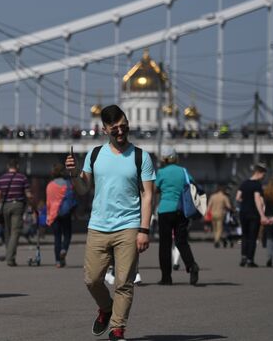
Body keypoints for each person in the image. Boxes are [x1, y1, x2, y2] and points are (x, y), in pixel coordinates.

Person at [66, 105, 154, 341]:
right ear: (104, 129)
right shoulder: (94, 155)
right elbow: (84, 190)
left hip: (129, 226)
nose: (120, 131)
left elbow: (148, 195)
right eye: (114, 128)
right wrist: (74, 175)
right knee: (92, 279)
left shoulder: (140, 156)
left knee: (124, 282)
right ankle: (106, 308)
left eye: (123, 125)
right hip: (98, 226)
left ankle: (117, 328)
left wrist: (144, 230)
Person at [154, 146, 200, 286]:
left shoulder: (161, 172)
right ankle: (191, 265)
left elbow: (155, 189)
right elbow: (193, 186)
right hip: (182, 210)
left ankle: (166, 278)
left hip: (165, 211)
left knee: (165, 244)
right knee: (181, 241)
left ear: (163, 158)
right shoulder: (184, 171)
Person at [0, 159, 36, 267]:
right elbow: (28, 195)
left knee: (7, 232)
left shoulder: (1, 179)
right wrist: (32, 205)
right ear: (17, 166)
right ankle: (10, 258)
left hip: (5, 206)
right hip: (18, 206)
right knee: (15, 232)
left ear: (7, 166)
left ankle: (9, 254)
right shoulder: (22, 178)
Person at [235, 162, 268, 267]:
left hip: (243, 213)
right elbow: (257, 199)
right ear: (259, 172)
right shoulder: (257, 185)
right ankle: (250, 260)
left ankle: (243, 257)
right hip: (253, 214)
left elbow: (237, 197)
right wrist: (262, 215)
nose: (263, 177)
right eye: (263, 175)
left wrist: (245, 200)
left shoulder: (244, 183)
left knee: (245, 235)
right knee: (253, 237)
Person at [45, 163, 76, 268]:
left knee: (57, 237)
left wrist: (48, 215)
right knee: (67, 234)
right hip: (65, 213)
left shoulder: (49, 185)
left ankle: (58, 261)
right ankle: (64, 249)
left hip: (54, 214)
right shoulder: (67, 184)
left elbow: (48, 202)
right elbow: (71, 199)